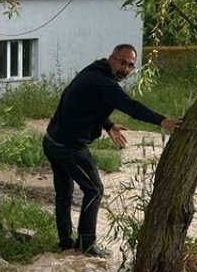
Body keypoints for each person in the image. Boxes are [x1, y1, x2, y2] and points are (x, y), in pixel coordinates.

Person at [44, 44, 182, 257]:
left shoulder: (93, 70)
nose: (125, 69)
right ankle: (86, 245)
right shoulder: (104, 82)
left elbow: (87, 102)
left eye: (130, 66)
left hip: (52, 141)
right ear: (112, 58)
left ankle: (65, 244)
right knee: (94, 190)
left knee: (64, 193)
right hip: (69, 148)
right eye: (122, 62)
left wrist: (107, 125)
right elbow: (131, 106)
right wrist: (162, 121)